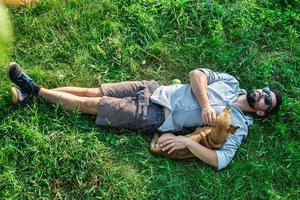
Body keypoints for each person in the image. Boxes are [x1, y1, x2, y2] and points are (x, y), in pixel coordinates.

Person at [7, 62, 282, 170]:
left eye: (267, 99)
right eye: (265, 90)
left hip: (154, 115)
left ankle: (34, 88)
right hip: (153, 88)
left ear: (261, 112)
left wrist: (187, 143)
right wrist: (206, 103)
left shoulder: (239, 126)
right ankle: (31, 95)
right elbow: (196, 74)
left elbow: (221, 160)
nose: (263, 92)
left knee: (94, 104)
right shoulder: (232, 83)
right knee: (91, 91)